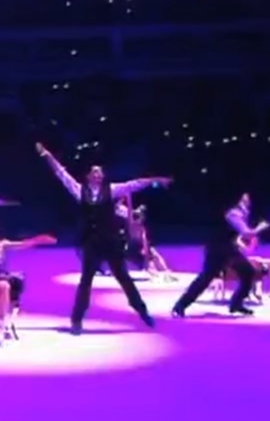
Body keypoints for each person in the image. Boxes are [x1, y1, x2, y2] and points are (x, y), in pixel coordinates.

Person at [36, 143, 172, 333]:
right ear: (88, 176)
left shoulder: (112, 189)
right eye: (94, 172)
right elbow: (61, 173)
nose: (97, 174)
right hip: (91, 243)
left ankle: (142, 312)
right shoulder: (79, 190)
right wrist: (46, 154)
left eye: (100, 172)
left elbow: (134, 184)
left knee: (124, 278)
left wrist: (156, 180)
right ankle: (76, 320)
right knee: (86, 281)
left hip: (111, 242)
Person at [172, 193, 270, 318]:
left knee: (248, 272)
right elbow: (247, 233)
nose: (247, 203)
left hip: (228, 248)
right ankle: (180, 305)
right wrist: (261, 227)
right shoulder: (233, 214)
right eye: (244, 200)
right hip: (217, 249)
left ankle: (236, 304)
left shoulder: (240, 214)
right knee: (206, 278)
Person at [119, 195, 176, 283]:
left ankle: (165, 271)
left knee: (155, 255)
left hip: (138, 249)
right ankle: (157, 273)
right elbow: (130, 209)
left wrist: (147, 255)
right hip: (131, 251)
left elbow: (145, 243)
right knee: (150, 260)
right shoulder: (132, 224)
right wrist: (128, 197)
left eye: (140, 214)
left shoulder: (141, 228)